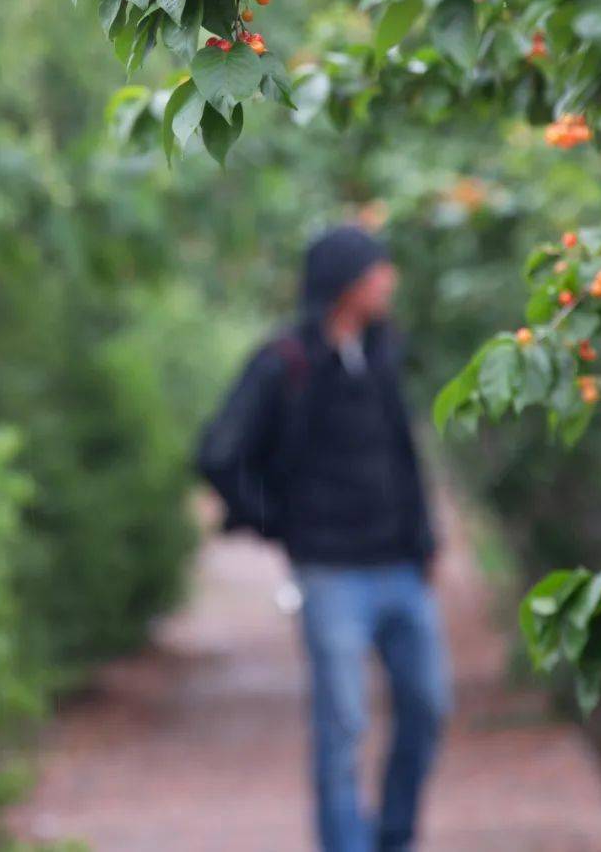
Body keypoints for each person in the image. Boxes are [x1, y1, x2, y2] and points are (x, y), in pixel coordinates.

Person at [197, 223, 449, 852]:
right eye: (377, 271)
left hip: (399, 567)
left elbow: (402, 452)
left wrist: (424, 538)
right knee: (343, 727)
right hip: (331, 573)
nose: (388, 281)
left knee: (428, 705)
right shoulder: (285, 361)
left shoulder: (383, 350)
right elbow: (219, 455)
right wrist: (277, 522)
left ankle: (392, 837)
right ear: (345, 285)